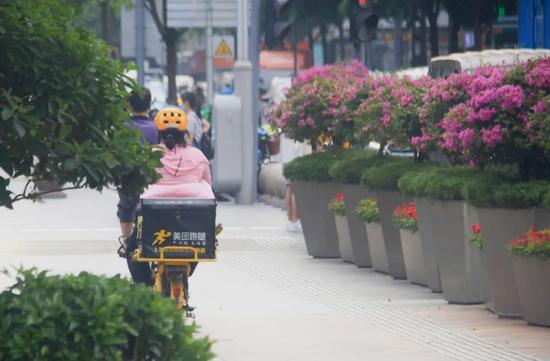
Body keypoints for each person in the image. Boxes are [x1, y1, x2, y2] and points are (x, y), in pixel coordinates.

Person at [124, 106, 214, 285]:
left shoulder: (150, 155)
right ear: (184, 132)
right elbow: (208, 183)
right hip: (194, 217)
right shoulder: (198, 156)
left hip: (154, 216)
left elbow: (139, 182)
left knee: (131, 249)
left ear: (159, 131)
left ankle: (145, 289)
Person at [117, 87, 158, 255]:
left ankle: (126, 242)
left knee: (126, 207)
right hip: (152, 178)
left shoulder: (122, 127)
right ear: (149, 105)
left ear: (128, 105)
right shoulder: (156, 128)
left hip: (127, 176)